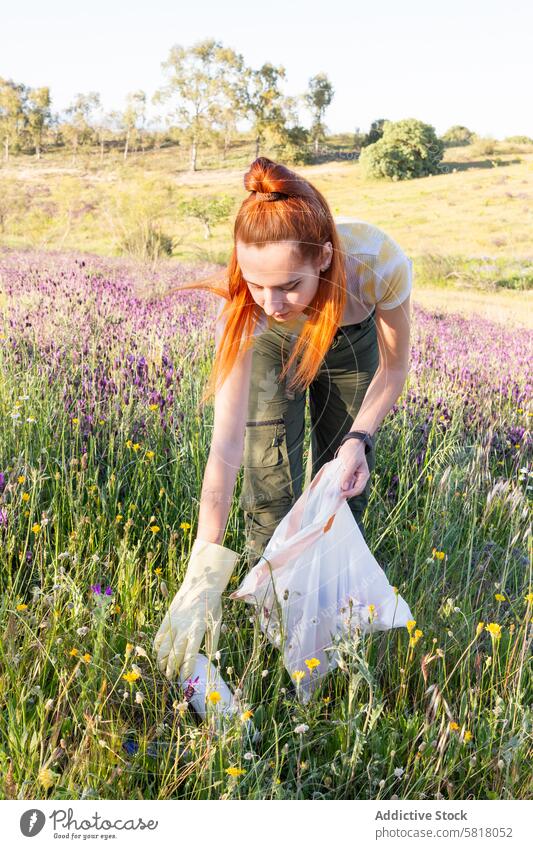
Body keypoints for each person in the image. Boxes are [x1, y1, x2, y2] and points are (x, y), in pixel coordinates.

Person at [154, 156, 412, 681]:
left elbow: (395, 366)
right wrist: (202, 575)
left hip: (350, 343)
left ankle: (328, 615)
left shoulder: (375, 262)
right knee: (269, 478)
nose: (271, 301)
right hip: (276, 352)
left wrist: (358, 439)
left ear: (322, 257)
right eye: (255, 284)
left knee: (342, 484)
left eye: (288, 285)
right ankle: (269, 624)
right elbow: (225, 450)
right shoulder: (252, 306)